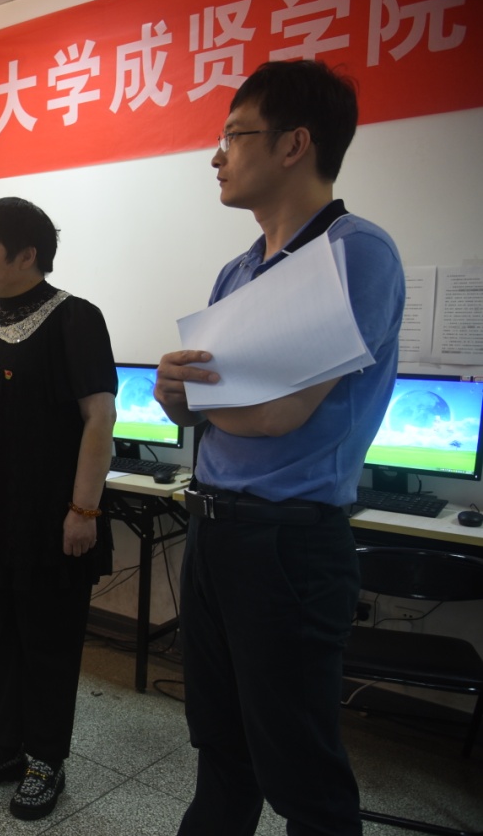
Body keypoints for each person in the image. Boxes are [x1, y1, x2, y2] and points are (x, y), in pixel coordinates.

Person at [155, 60, 404, 836]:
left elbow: (277, 415)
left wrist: (198, 399)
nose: (216, 155)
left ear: (294, 144)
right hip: (213, 528)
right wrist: (173, 395)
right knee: (219, 750)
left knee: (302, 776)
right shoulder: (237, 269)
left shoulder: (355, 251)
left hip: (287, 545)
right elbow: (206, 408)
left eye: (234, 135)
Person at [0, 197, 116, 820]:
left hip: (49, 516)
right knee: (1, 637)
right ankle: (6, 746)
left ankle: (47, 759)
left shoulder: (76, 318)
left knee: (48, 642)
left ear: (26, 255)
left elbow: (100, 418)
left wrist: (83, 510)